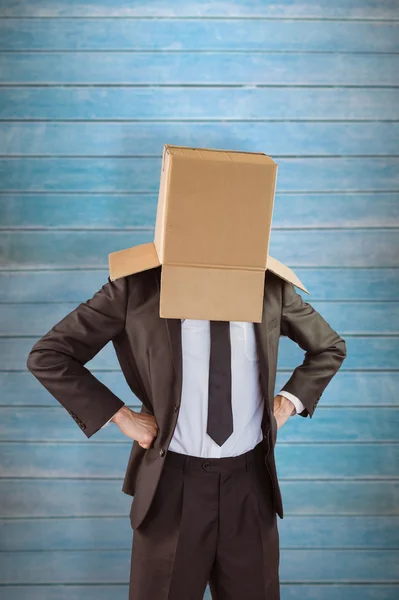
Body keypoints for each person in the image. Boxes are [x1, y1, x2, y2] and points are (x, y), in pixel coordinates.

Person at [26, 264, 346, 600]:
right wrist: (122, 416)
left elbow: (329, 347)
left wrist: (285, 404)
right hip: (171, 489)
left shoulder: (268, 287)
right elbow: (49, 355)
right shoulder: (135, 288)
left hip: (250, 489)